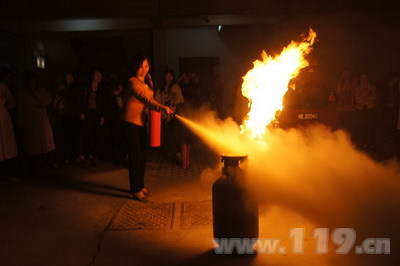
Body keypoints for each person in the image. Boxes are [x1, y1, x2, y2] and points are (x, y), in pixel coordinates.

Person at [122, 53, 173, 201]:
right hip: (131, 122)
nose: (143, 69)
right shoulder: (132, 82)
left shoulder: (147, 80)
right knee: (135, 156)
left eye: (146, 66)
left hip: (143, 122)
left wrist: (158, 109)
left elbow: (150, 99)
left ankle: (141, 185)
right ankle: (135, 190)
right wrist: (162, 107)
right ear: (135, 68)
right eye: (140, 67)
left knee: (143, 156)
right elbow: (145, 98)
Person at [18, 71, 58, 169]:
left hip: (42, 120)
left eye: (34, 80)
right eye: (30, 81)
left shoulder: (40, 91)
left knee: (47, 142)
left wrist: (37, 94)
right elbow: (21, 108)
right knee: (33, 145)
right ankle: (34, 164)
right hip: (31, 121)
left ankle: (50, 162)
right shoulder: (23, 93)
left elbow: (47, 100)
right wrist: (21, 122)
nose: (32, 83)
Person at [155, 69, 185, 159]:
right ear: (164, 77)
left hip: (174, 115)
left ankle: (178, 152)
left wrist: (177, 114)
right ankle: (169, 152)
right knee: (167, 134)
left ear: (172, 77)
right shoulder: (161, 89)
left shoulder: (176, 87)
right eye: (167, 76)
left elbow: (180, 102)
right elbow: (156, 102)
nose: (169, 77)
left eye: (170, 76)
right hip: (164, 116)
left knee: (175, 134)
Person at [79, 69, 105, 167]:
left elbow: (103, 103)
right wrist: (82, 112)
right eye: (97, 74)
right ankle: (86, 156)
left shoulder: (101, 89)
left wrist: (102, 116)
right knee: (87, 135)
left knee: (97, 135)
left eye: (100, 75)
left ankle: (95, 156)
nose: (98, 77)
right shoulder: (86, 87)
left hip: (97, 114)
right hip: (88, 113)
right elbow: (82, 100)